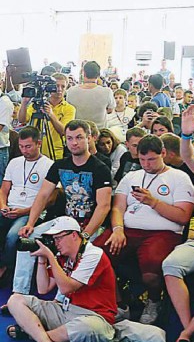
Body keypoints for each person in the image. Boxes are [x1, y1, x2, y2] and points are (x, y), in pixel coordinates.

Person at [95, 134, 194, 325]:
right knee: (96, 255)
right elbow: (117, 208)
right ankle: (119, 303)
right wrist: (118, 229)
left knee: (151, 270)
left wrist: (153, 202)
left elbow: (183, 216)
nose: (146, 164)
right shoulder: (131, 176)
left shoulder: (180, 178)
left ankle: (154, 300)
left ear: (163, 153)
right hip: (128, 229)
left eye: (151, 159)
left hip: (163, 232)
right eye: (142, 160)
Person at [11, 120, 114, 296]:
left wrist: (85, 235)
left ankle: (62, 301)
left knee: (75, 248)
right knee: (26, 239)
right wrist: (30, 223)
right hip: (66, 221)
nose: (74, 142)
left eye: (79, 137)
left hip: (91, 224)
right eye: (70, 138)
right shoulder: (60, 165)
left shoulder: (100, 168)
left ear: (89, 138)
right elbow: (42, 195)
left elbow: (103, 206)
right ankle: (19, 293)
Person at [5, 216, 116, 342]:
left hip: (95, 316)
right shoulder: (63, 257)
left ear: (74, 235)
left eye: (59, 238)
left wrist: (50, 257)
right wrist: (42, 259)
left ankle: (32, 333)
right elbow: (43, 289)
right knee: (15, 300)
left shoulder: (93, 254)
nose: (56, 243)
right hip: (66, 310)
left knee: (84, 328)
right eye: (54, 239)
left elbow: (66, 288)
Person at [162, 103, 194, 342]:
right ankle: (190, 330)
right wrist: (187, 135)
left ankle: (185, 335)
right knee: (170, 265)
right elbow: (188, 157)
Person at [0, 126, 54, 280]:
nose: (24, 150)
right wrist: (3, 206)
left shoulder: (49, 165)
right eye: (21, 146)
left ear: (39, 143)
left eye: (28, 146)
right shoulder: (14, 162)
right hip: (9, 208)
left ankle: (6, 267)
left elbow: (51, 199)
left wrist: (24, 211)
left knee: (13, 236)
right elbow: (3, 190)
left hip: (30, 211)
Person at [18, 72, 76, 160]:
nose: (59, 89)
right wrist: (24, 103)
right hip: (35, 152)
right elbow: (22, 120)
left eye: (63, 86)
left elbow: (64, 132)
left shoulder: (69, 109)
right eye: (56, 86)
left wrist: (51, 114)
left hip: (55, 152)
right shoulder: (37, 104)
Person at [66, 61, 115, 128]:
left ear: (84, 73)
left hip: (78, 131)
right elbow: (110, 110)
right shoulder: (107, 92)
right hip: (99, 131)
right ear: (98, 75)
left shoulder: (71, 91)